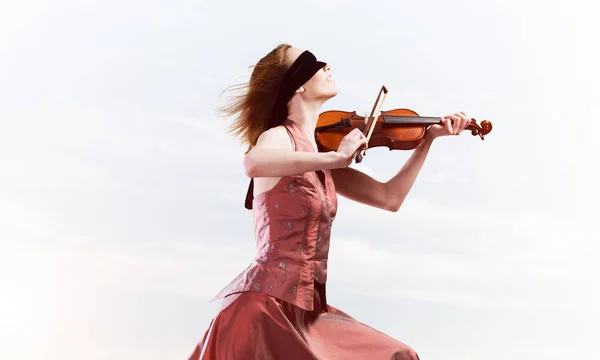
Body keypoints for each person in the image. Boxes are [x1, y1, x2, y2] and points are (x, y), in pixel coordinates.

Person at [187, 44, 472, 360]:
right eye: (312, 63)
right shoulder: (282, 137)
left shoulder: (317, 156)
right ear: (298, 85)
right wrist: (335, 158)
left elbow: (389, 198)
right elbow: (253, 164)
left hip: (310, 313)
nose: (326, 66)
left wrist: (427, 141)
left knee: (399, 356)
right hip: (262, 310)